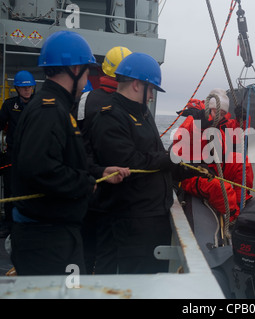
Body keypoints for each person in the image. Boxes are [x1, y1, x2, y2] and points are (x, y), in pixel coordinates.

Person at [10, 30, 130, 276]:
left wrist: (98, 172)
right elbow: (38, 168)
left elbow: (61, 158)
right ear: (75, 69)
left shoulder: (56, 107)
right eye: (87, 71)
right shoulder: (49, 111)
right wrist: (85, 183)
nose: (88, 78)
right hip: (48, 241)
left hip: (55, 236)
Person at [89, 52, 204, 274]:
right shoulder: (110, 116)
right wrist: (172, 158)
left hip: (150, 218)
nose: (151, 96)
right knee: (139, 282)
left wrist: (189, 168)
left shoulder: (142, 114)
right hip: (132, 222)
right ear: (136, 84)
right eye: (151, 89)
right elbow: (128, 162)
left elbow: (156, 158)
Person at [74, 46, 132, 274]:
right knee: (109, 253)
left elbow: (77, 137)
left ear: (104, 69)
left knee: (85, 249)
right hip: (116, 191)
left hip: (88, 186)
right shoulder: (125, 105)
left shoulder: (85, 99)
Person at [172, 89, 254, 222]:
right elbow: (180, 140)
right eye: (217, 112)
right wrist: (199, 125)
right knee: (219, 187)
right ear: (210, 108)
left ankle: (242, 200)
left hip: (215, 166)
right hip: (193, 172)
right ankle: (234, 217)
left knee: (242, 162)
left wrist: (243, 119)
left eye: (223, 113)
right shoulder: (194, 119)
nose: (220, 116)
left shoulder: (222, 123)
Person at [0, 71, 36, 238]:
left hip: (33, 154)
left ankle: (33, 222)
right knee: (10, 190)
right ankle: (9, 224)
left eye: (29, 87)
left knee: (33, 189)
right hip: (13, 155)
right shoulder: (9, 105)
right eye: (23, 88)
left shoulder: (39, 104)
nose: (27, 90)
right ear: (17, 89)